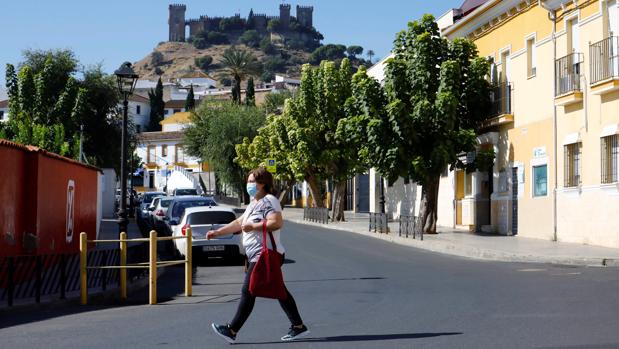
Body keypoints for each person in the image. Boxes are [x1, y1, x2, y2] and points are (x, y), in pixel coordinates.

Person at [207, 168, 309, 344]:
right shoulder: (254, 202)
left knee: (248, 291)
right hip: (257, 255)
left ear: (262, 183)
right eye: (248, 181)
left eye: (251, 181)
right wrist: (218, 232)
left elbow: (276, 223)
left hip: (265, 255)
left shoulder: (269, 200)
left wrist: (253, 227)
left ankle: (232, 330)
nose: (248, 185)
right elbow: (239, 222)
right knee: (279, 290)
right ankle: (298, 327)